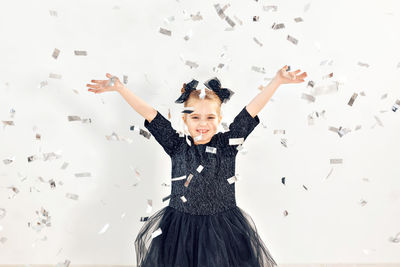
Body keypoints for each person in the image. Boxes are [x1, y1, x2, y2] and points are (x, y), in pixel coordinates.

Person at [87, 66, 307, 267]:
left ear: (220, 118)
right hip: (179, 228)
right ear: (185, 120)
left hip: (223, 228)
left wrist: (276, 81)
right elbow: (149, 114)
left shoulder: (227, 145)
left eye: (210, 117)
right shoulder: (176, 145)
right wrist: (120, 89)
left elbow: (251, 111)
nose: (203, 124)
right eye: (195, 117)